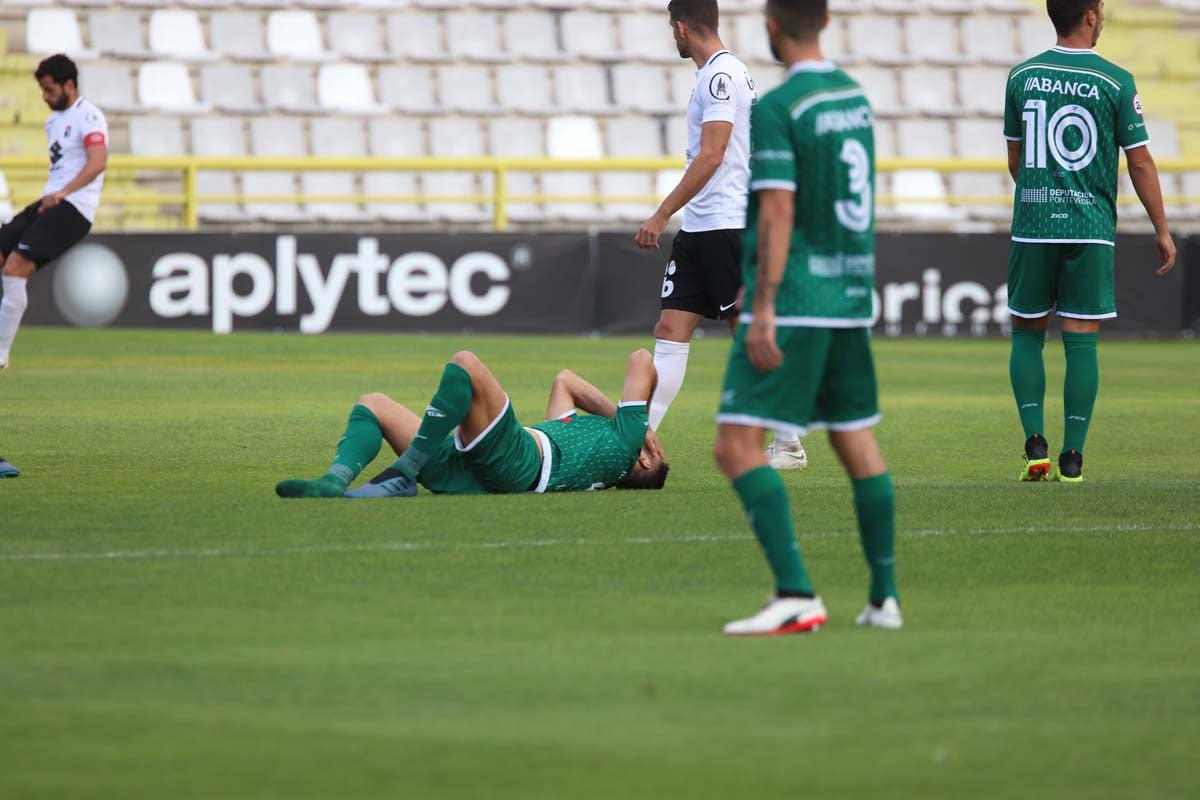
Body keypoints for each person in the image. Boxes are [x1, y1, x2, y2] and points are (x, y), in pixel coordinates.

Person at [712, 0, 900, 636]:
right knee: (854, 439)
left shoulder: (779, 107)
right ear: (823, 20)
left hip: (795, 300)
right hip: (849, 297)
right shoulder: (855, 97)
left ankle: (795, 592)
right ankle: (884, 597)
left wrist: (761, 304)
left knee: (734, 444)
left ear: (771, 26)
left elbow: (778, 211)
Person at [1004, 0, 1175, 482]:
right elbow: (1140, 162)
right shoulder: (1115, 81)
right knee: (1081, 341)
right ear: (1092, 17)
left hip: (1034, 226)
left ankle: (1034, 443)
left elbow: (1016, 161)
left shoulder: (1022, 77)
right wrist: (1161, 227)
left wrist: (1043, 198)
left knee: (1026, 332)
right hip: (1091, 228)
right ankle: (1072, 457)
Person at [634, 2, 807, 469]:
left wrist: (660, 214)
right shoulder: (722, 73)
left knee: (749, 334)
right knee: (670, 329)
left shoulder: (720, 77)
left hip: (726, 224)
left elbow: (712, 155)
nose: (673, 37)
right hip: (702, 226)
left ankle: (789, 442)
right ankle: (637, 441)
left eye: (672, 29)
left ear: (681, 26)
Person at [276, 349, 669, 499]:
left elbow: (641, 359)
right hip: (495, 470)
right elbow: (565, 381)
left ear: (647, 460)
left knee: (465, 363)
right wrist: (618, 417)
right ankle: (334, 481)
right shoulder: (597, 447)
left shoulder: (625, 444)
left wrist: (642, 425)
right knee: (373, 404)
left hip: (521, 460)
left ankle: (405, 471)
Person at [0, 55, 108, 370]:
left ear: (69, 85)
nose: (46, 97)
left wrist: (65, 192)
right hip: (51, 201)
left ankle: (1, 353)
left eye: (49, 90)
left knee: (16, 266)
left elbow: (97, 161)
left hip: (74, 207)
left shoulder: (89, 117)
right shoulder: (53, 121)